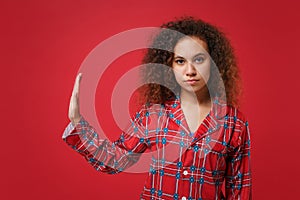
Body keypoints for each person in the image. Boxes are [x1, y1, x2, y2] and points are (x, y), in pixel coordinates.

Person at [63, 16, 252, 200]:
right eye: (180, 61)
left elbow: (239, 189)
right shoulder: (153, 114)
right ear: (169, 66)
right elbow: (115, 160)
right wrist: (77, 121)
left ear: (213, 63)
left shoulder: (234, 123)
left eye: (199, 59)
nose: (190, 70)